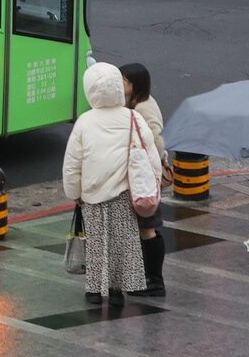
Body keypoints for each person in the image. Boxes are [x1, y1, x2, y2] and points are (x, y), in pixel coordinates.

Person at [62, 62, 156, 305]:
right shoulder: (133, 117)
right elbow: (149, 151)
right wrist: (154, 181)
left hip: (92, 193)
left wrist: (74, 190)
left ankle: (94, 289)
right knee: (123, 241)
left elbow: (73, 162)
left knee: (96, 243)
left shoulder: (85, 121)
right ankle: (116, 289)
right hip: (124, 191)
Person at [120, 63, 169, 298]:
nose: (121, 85)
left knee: (148, 229)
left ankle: (155, 281)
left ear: (134, 85)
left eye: (124, 81)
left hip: (145, 179)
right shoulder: (135, 104)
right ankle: (147, 278)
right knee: (145, 229)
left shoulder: (144, 108)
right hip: (141, 178)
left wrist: (154, 171)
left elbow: (156, 142)